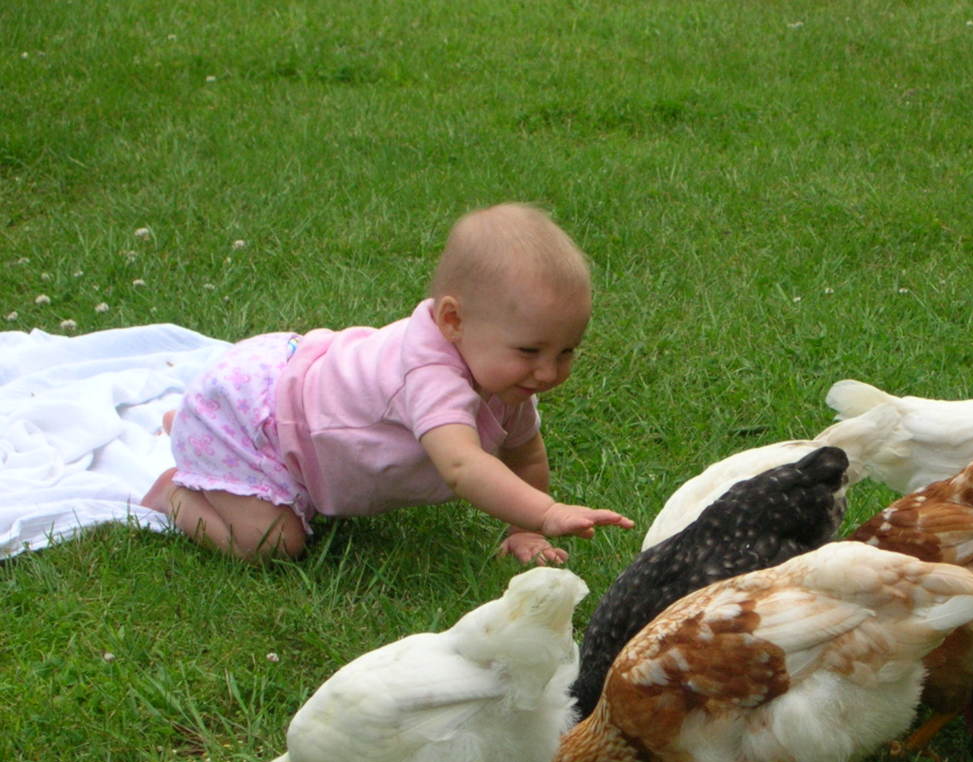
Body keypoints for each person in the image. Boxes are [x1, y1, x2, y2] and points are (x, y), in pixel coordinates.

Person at [143, 202, 632, 563]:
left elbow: (524, 453)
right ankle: (177, 492)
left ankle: (188, 429)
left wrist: (524, 530)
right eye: (529, 351)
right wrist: (545, 513)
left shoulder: (506, 376)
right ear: (453, 321)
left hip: (294, 392)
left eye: (566, 351)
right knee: (271, 544)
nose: (548, 372)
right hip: (258, 419)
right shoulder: (429, 376)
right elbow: (462, 465)